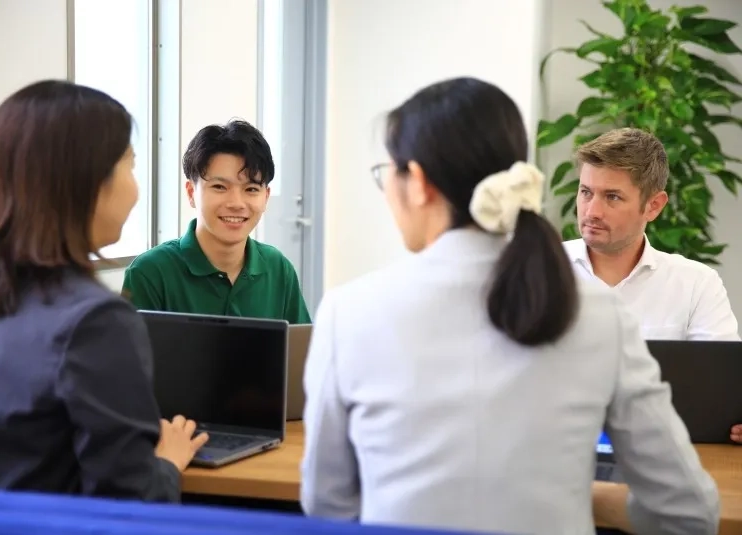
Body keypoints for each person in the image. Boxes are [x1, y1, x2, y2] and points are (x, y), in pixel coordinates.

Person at [300, 77, 718, 534]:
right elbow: (689, 511)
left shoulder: (349, 312)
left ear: (417, 182)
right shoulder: (601, 314)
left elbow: (327, 504)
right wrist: (588, 500)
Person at [0, 80, 208, 501]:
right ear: (87, 182)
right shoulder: (94, 322)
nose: (135, 188)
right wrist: (165, 464)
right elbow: (130, 504)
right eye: (130, 165)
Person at [121, 120, 310, 324]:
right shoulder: (150, 272)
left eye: (251, 189)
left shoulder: (279, 269)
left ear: (266, 197)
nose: (236, 203)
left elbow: (299, 351)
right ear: (191, 193)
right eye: (220, 187)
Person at [564, 127, 739, 342]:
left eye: (613, 197)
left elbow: (718, 372)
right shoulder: (536, 270)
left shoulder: (696, 286)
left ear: (653, 206)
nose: (592, 212)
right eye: (586, 193)